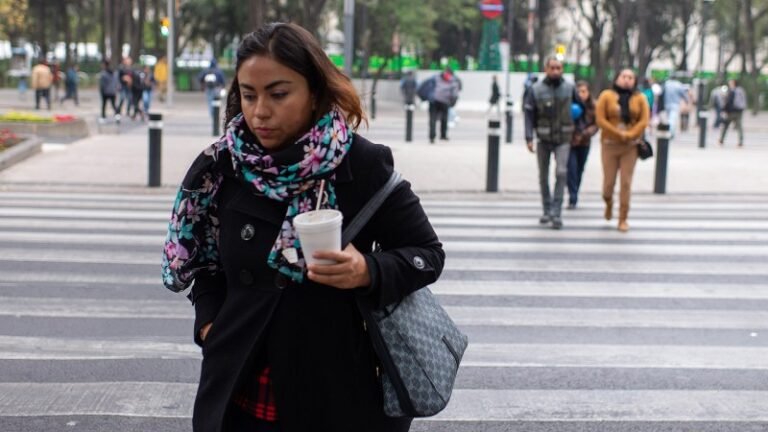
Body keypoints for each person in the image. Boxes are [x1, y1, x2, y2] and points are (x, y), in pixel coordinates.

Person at [161, 22, 445, 432]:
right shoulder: (222, 167)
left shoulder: (361, 164)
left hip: (337, 391)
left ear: (314, 92)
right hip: (240, 384)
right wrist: (209, 323)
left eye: (278, 94)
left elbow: (426, 253)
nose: (260, 111)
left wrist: (367, 270)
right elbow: (204, 262)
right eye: (249, 94)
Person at [524, 57, 580, 230]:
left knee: (561, 172)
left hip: (564, 137)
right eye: (552, 68)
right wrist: (529, 137)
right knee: (543, 175)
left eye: (558, 68)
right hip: (543, 137)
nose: (555, 71)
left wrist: (579, 131)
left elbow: (581, 108)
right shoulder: (535, 89)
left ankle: (557, 212)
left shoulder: (570, 88)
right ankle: (546, 209)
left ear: (562, 69)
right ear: (546, 69)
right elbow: (529, 114)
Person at [595, 68, 650, 233]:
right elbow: (600, 119)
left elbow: (643, 121)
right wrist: (617, 133)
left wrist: (630, 135)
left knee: (626, 183)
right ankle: (608, 202)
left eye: (630, 77)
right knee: (608, 184)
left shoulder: (640, 98)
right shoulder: (607, 96)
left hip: (630, 146)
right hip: (609, 144)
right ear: (617, 78)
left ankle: (623, 218)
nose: (627, 80)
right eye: (623, 76)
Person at [567, 81, 599, 209]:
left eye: (584, 91)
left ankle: (575, 191)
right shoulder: (569, 104)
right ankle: (572, 197)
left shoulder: (593, 106)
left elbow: (597, 124)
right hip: (570, 142)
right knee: (571, 169)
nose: (581, 94)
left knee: (579, 169)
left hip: (585, 142)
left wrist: (586, 133)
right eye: (579, 91)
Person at [416, 66, 460, 143]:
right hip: (443, 101)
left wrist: (424, 96)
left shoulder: (435, 77)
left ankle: (433, 136)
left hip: (434, 100)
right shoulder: (453, 80)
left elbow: (425, 85)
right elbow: (455, 94)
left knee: (433, 119)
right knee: (443, 119)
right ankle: (442, 135)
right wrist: (453, 102)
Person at [718, 79, 746, 147]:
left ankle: (721, 140)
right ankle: (740, 142)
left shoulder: (731, 91)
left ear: (733, 83)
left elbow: (728, 102)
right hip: (739, 111)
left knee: (726, 126)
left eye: (730, 83)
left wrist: (724, 110)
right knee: (739, 127)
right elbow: (744, 100)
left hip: (731, 111)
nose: (729, 84)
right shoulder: (740, 90)